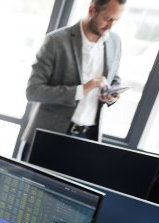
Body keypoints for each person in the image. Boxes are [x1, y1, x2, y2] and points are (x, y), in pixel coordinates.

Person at [24, 0, 125, 149]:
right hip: (49, 135)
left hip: (88, 137)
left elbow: (114, 79)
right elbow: (33, 92)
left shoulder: (115, 41)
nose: (111, 26)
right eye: (108, 19)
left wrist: (112, 95)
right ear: (92, 10)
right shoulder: (55, 41)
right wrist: (82, 89)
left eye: (116, 20)